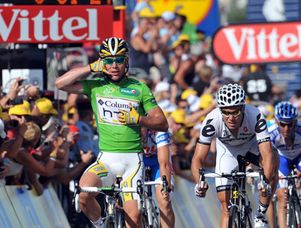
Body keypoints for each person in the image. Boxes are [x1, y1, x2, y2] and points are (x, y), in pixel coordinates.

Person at [55, 37, 168, 228]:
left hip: (132, 161)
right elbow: (60, 84)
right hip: (106, 159)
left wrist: (139, 119)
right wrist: (91, 67)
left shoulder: (139, 88)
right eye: (108, 61)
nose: (114, 65)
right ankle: (100, 225)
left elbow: (162, 123)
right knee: (83, 194)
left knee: (134, 218)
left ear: (126, 62)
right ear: (102, 62)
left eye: (119, 60)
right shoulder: (95, 86)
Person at [191, 83, 279, 228]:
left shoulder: (255, 116)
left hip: (252, 148)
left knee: (274, 159)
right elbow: (198, 158)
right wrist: (198, 183)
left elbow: (267, 154)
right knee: (226, 208)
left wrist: (265, 181)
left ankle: (261, 213)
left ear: (243, 108)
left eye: (235, 112)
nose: (231, 117)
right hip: (228, 152)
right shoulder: (211, 121)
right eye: (226, 112)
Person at [268, 101, 301, 227]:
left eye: (290, 124)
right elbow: (269, 159)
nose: (286, 129)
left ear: (295, 122)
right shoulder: (271, 133)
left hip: (299, 157)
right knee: (282, 198)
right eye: (283, 124)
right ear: (276, 121)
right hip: (282, 159)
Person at [141, 127, 175, 228]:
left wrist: (166, 187)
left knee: (165, 202)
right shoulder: (128, 132)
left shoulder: (158, 131)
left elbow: (164, 164)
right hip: (138, 162)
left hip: (158, 163)